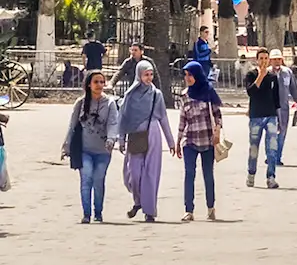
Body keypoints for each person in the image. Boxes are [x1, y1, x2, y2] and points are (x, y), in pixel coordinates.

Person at [116, 60, 173, 221]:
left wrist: (171, 142)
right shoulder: (130, 95)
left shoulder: (156, 95)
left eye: (151, 74)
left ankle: (149, 211)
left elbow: (163, 118)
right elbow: (123, 118)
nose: (148, 78)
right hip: (135, 136)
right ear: (139, 75)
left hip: (153, 135)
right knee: (133, 174)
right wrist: (121, 139)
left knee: (151, 173)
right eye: (145, 75)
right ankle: (138, 201)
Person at [60, 71, 119, 223]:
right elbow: (72, 125)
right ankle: (86, 214)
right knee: (86, 179)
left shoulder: (110, 103)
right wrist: (66, 146)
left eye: (101, 82)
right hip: (84, 149)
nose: (99, 85)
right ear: (88, 84)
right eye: (96, 82)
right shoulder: (80, 103)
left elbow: (113, 123)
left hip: (103, 151)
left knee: (98, 180)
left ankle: (98, 212)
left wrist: (112, 139)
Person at [176, 59, 224, 223]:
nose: (188, 78)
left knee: (208, 175)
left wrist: (217, 131)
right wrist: (177, 141)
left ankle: (211, 208)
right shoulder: (184, 95)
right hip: (190, 141)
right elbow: (182, 120)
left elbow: (218, 115)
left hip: (208, 141)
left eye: (190, 75)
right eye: (186, 75)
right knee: (189, 174)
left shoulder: (208, 93)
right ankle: (188, 210)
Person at [244, 47, 286, 188]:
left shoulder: (273, 77)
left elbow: (276, 99)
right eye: (261, 58)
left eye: (265, 59)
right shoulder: (251, 75)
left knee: (272, 148)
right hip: (256, 116)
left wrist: (279, 119)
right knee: (254, 148)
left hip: (271, 116)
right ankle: (251, 173)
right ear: (257, 60)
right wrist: (260, 76)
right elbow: (251, 92)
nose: (263, 61)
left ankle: (271, 176)